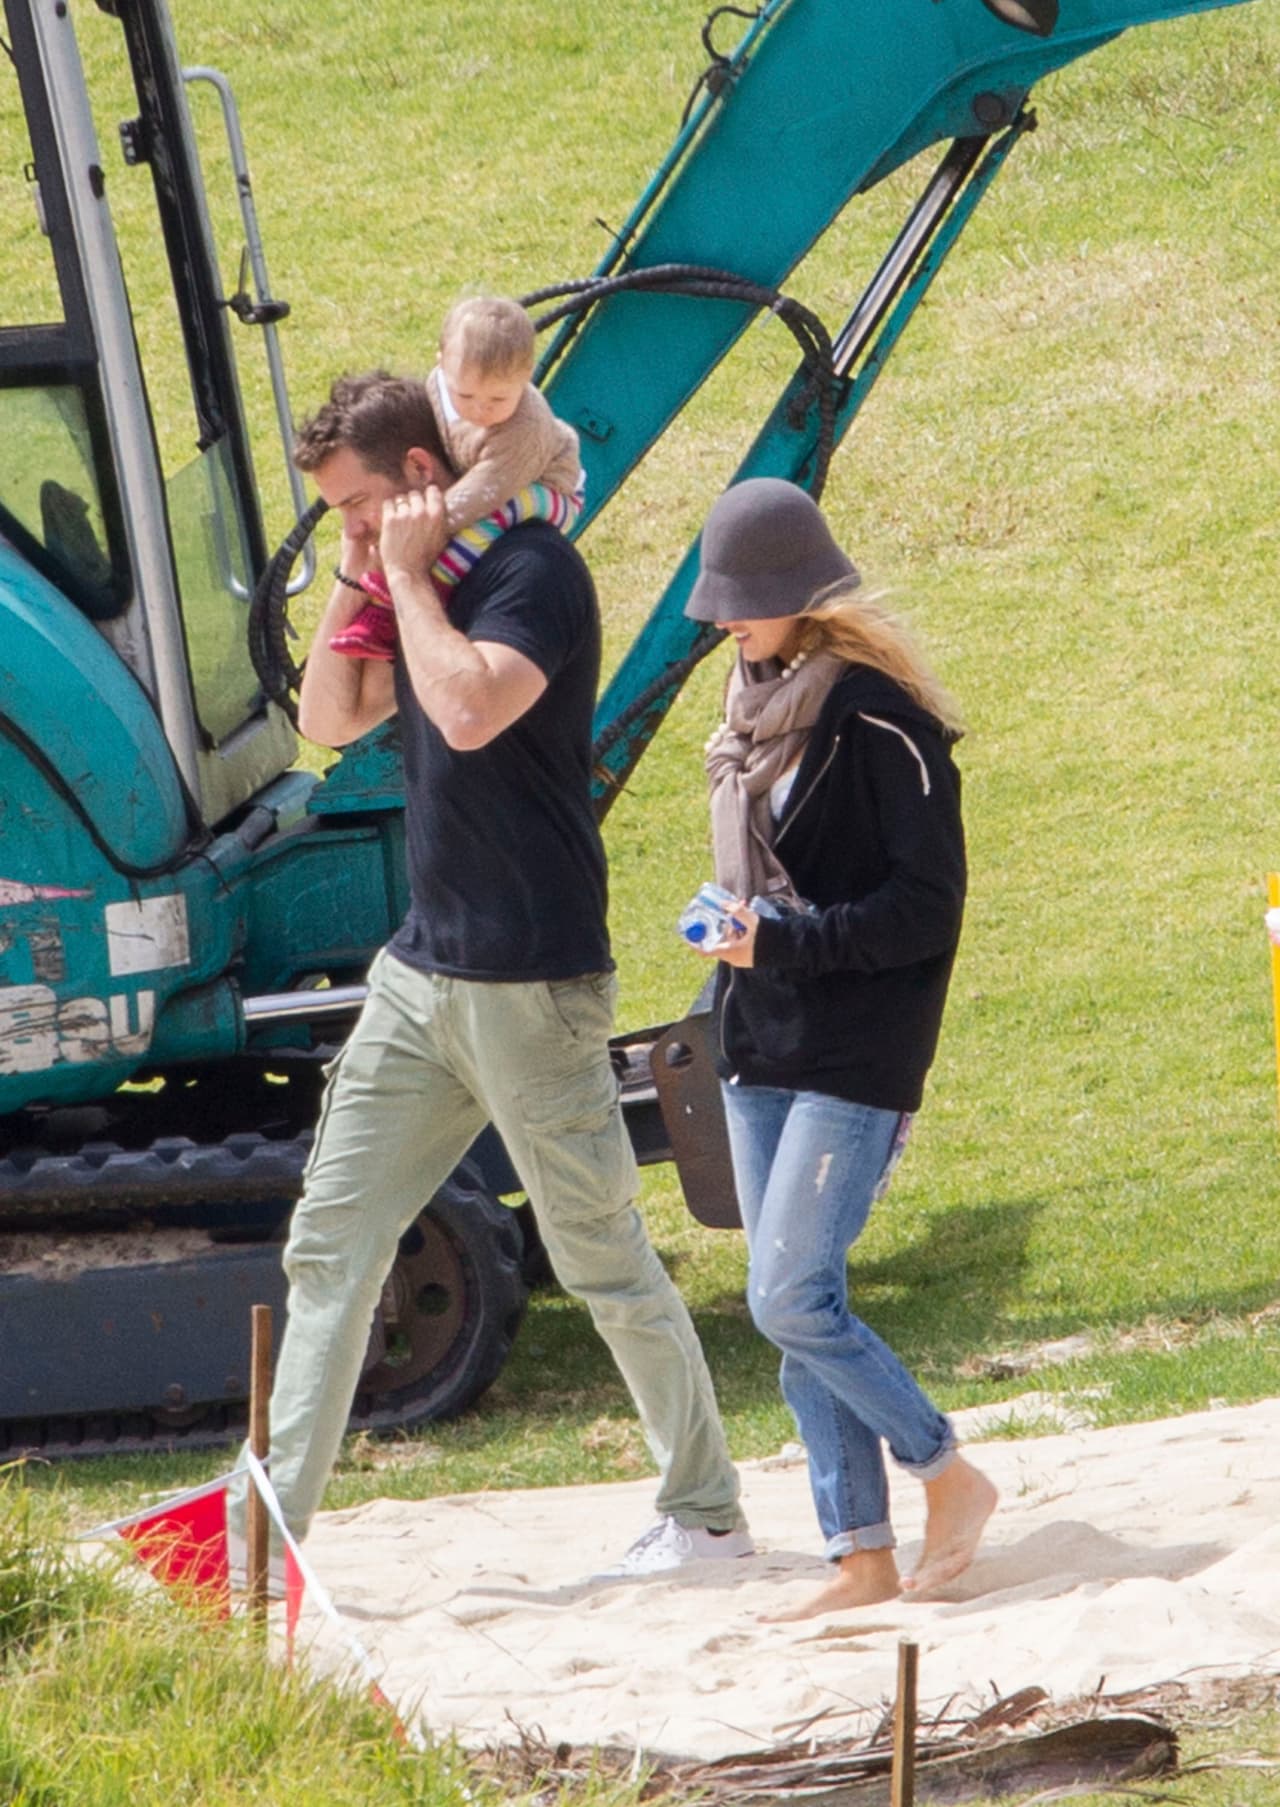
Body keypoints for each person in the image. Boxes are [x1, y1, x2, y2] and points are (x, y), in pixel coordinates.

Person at [249, 370, 750, 1579]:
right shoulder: (402, 578)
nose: (352, 537)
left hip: (532, 981)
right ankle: (270, 1540)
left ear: (423, 478)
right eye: (336, 520)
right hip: (422, 977)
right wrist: (372, 577)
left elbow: (469, 710)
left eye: (361, 509)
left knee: (596, 1256)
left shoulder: (532, 576)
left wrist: (409, 577)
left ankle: (708, 1513)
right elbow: (326, 714)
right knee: (329, 1244)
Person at [682, 476, 996, 1619]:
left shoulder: (879, 722)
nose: (721, 621)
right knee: (792, 1298)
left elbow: (926, 909)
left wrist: (784, 938)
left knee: (789, 1297)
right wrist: (733, 935)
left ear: (795, 596)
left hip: (854, 1051)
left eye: (739, 602)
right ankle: (857, 1554)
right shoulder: (749, 699)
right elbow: (769, 883)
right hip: (757, 1036)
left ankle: (946, 1473)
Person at [330, 297, 582, 661]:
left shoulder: (525, 429)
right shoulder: (437, 387)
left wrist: (424, 527)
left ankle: (428, 596)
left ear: (527, 376)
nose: (480, 409)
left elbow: (486, 491)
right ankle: (391, 601)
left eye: (499, 398)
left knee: (487, 524)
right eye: (465, 394)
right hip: (483, 476)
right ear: (441, 362)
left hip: (546, 490)